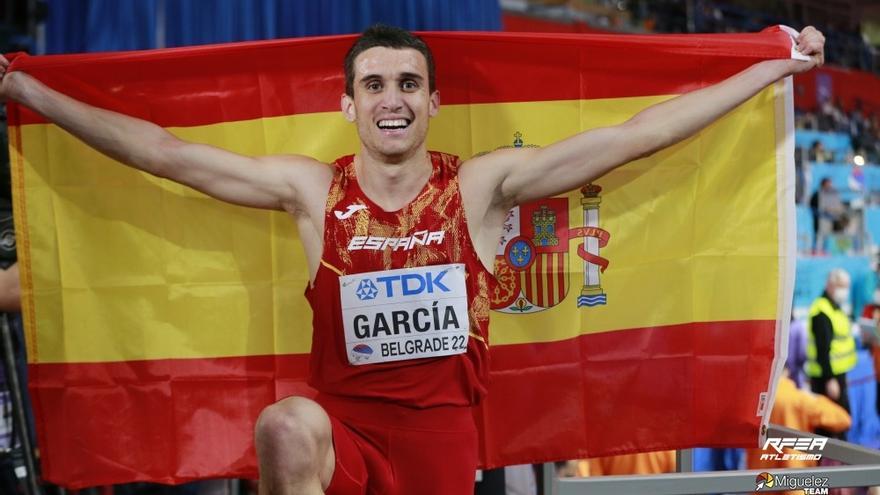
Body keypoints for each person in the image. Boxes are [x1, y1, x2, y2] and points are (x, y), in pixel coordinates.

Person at [0, 24, 826, 495]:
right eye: (374, 85)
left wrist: (770, 66)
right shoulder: (309, 192)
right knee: (283, 426)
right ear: (347, 102)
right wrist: (27, 92)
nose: (390, 99)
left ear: (434, 102)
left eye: (406, 84)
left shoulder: (481, 189)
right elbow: (163, 154)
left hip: (439, 442)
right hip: (344, 431)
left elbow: (637, 135)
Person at [806, 268, 857, 441]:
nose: (845, 292)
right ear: (830, 285)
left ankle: (840, 464)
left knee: (841, 421)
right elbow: (822, 350)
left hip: (837, 375)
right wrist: (830, 380)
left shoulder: (835, 308)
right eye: (842, 287)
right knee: (827, 426)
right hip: (826, 378)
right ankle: (825, 466)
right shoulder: (822, 311)